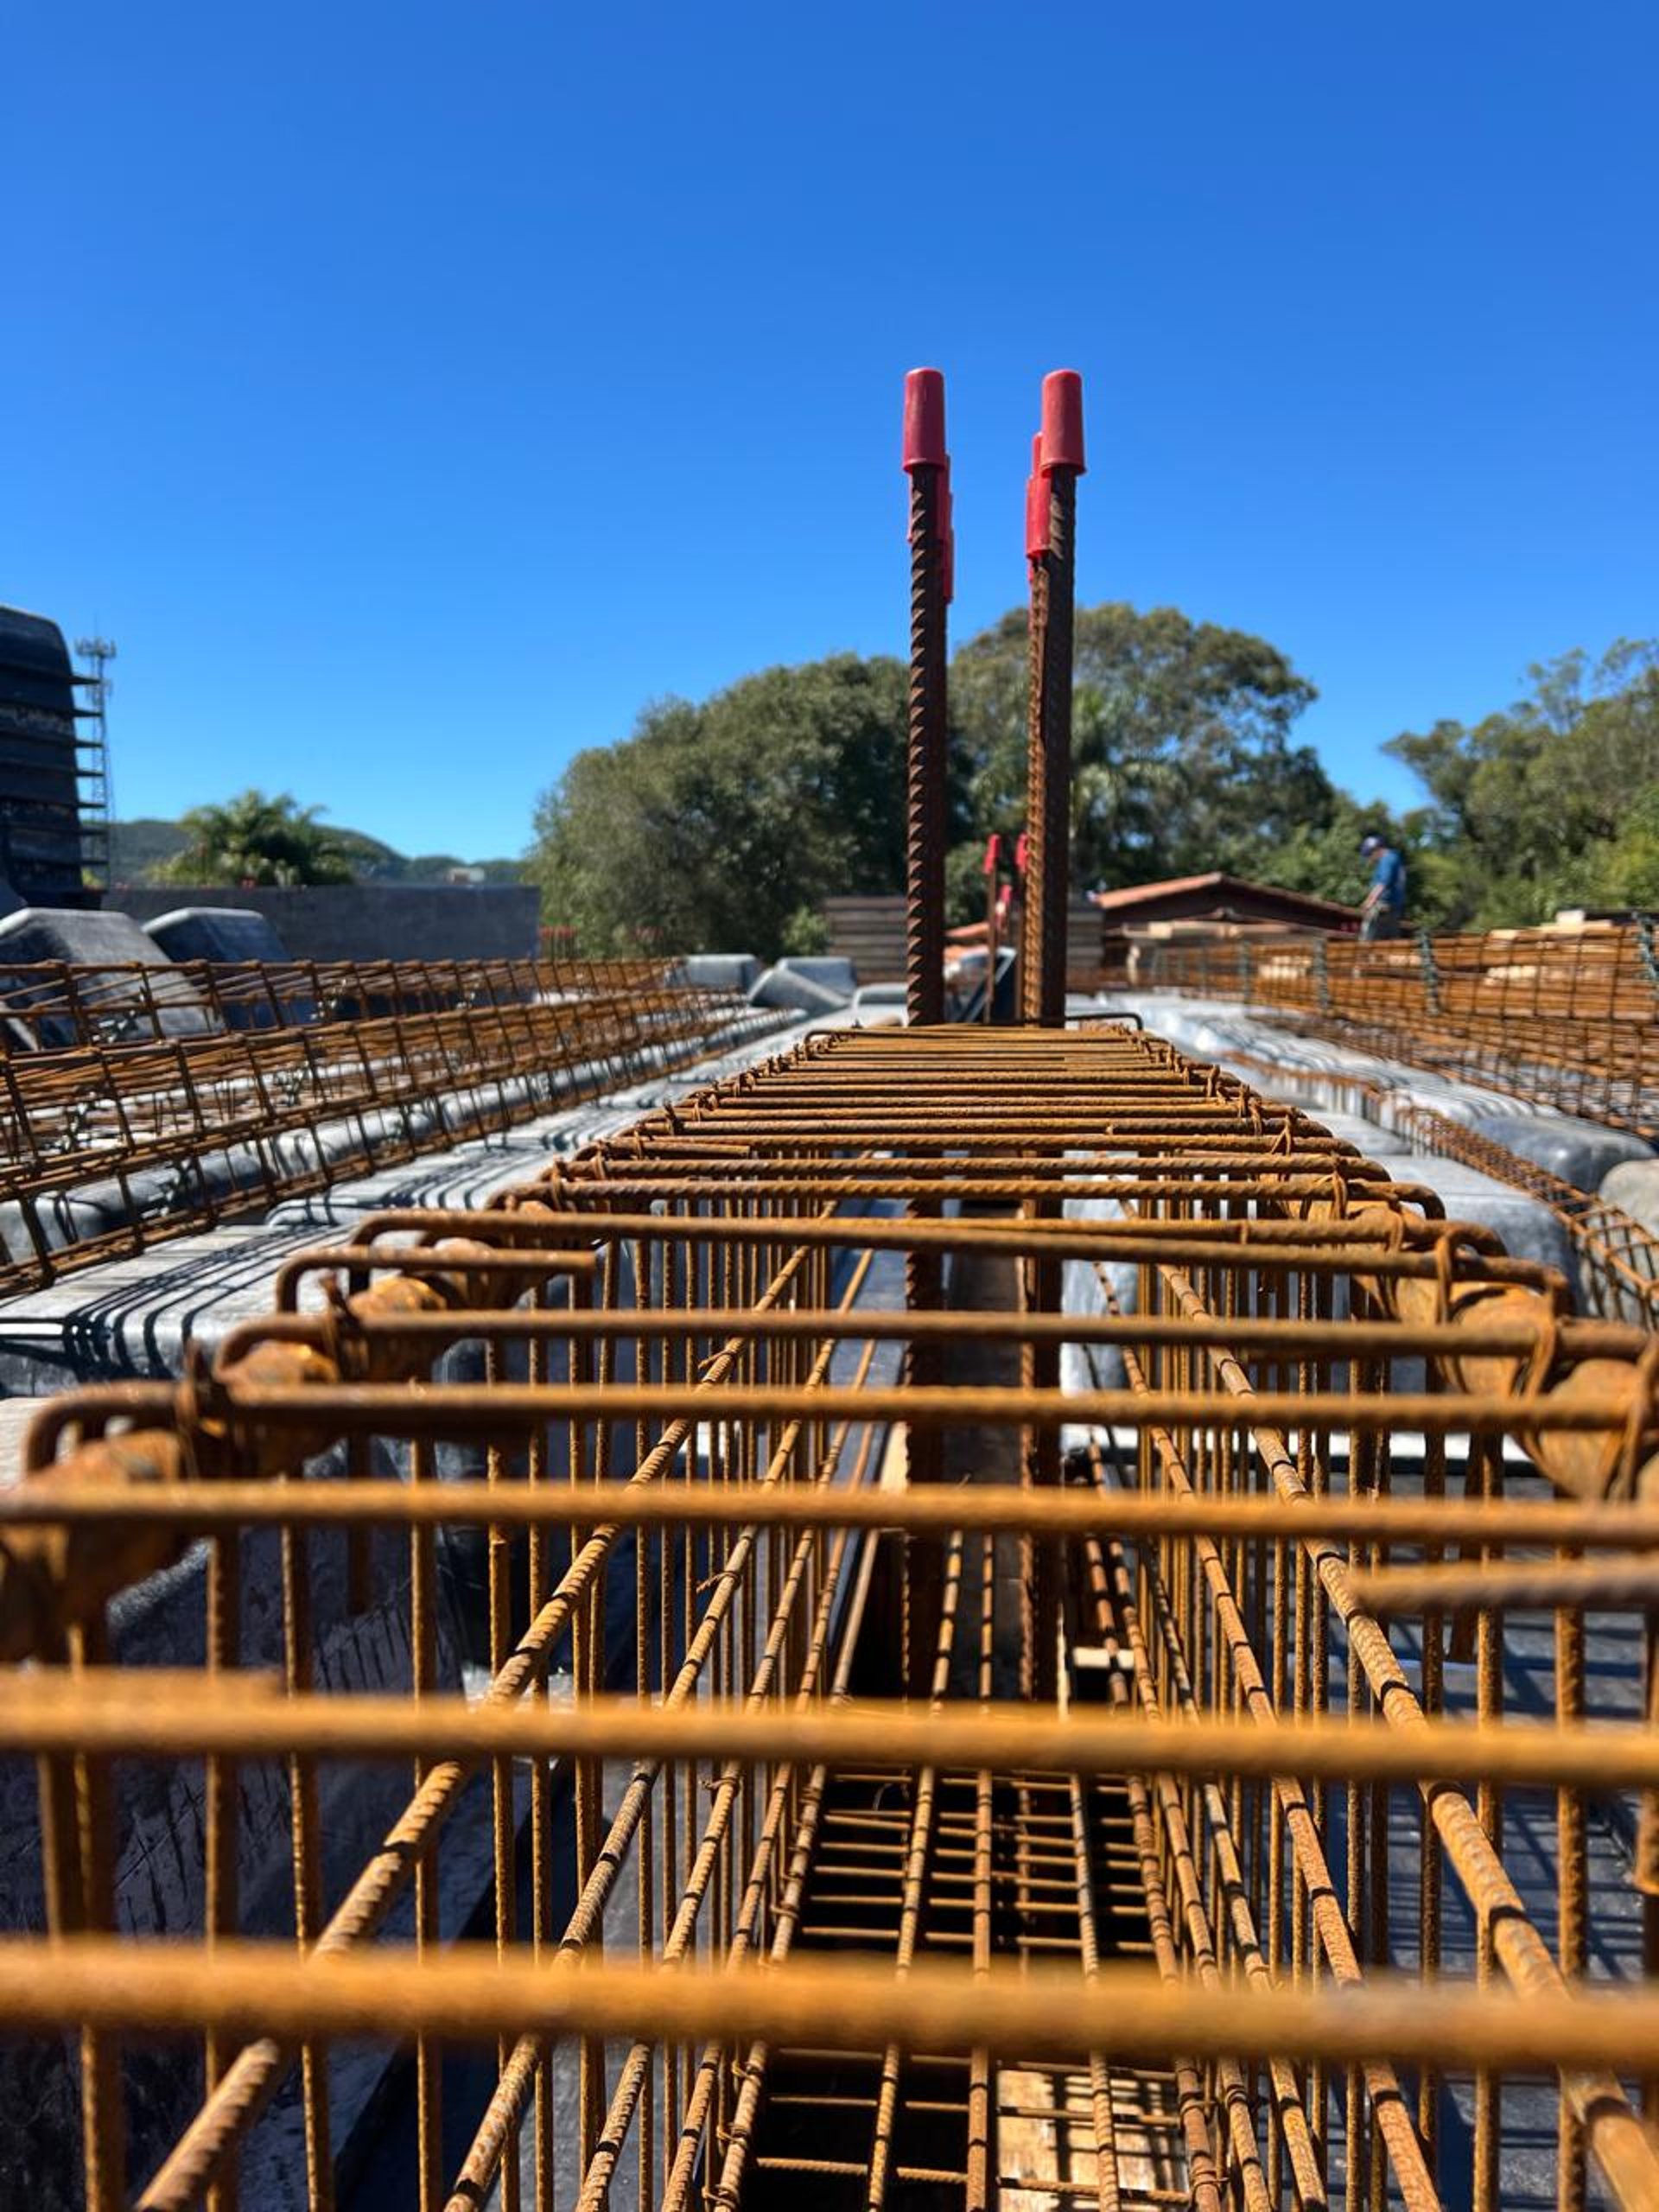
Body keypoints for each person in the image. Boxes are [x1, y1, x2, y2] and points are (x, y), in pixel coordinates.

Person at [1358, 833, 1407, 940]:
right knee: (1390, 941)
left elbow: (1383, 883)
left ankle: (1365, 956)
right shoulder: (1394, 857)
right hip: (1395, 907)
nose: (1370, 859)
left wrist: (1369, 902)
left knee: (1367, 939)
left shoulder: (1386, 859)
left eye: (1369, 854)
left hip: (1383, 906)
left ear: (1377, 850)